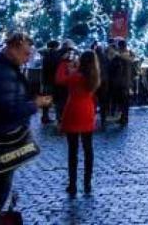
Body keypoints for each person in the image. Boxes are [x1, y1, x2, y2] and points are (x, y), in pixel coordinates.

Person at [0, 34, 50, 225]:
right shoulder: (3, 72)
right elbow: (8, 109)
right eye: (25, 53)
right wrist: (35, 104)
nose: (27, 58)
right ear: (13, 48)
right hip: (1, 135)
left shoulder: (3, 68)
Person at [57, 50, 100, 197]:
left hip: (74, 110)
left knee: (72, 151)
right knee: (88, 149)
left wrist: (64, 63)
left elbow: (60, 80)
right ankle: (87, 183)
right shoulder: (94, 77)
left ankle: (73, 184)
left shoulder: (76, 77)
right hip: (87, 111)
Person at [107, 39, 133, 126]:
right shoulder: (129, 55)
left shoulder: (119, 57)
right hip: (126, 82)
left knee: (122, 102)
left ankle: (123, 119)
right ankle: (124, 118)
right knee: (124, 103)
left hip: (120, 83)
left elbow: (112, 67)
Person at [39, 40, 62, 124]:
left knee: (47, 99)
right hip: (54, 80)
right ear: (56, 47)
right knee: (57, 100)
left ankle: (44, 116)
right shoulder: (56, 55)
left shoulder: (45, 55)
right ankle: (58, 117)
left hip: (46, 80)